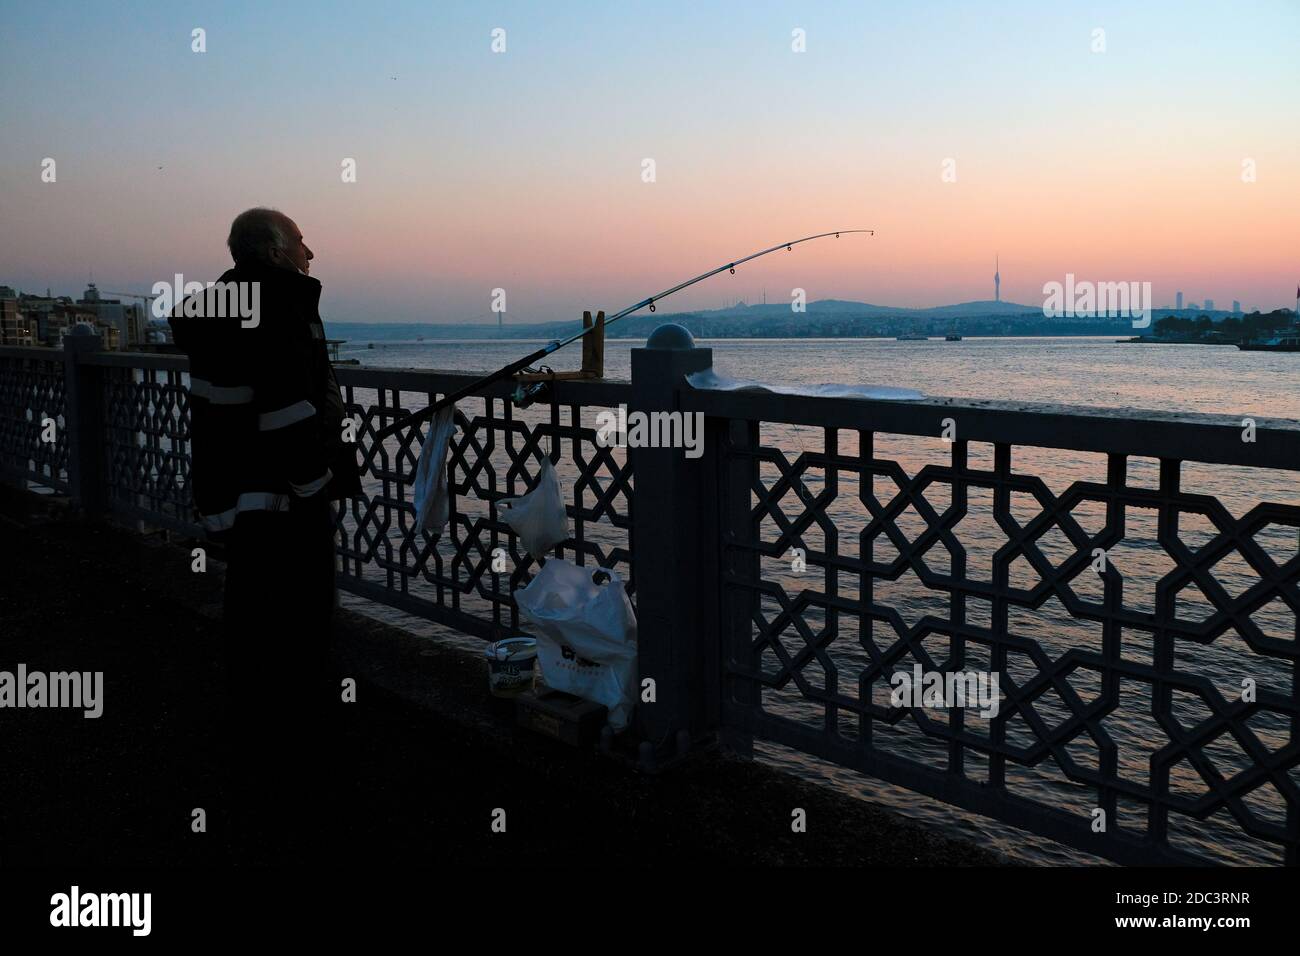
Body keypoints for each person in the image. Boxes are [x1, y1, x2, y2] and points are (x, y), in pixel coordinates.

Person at [169, 208, 362, 863]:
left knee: (250, 614)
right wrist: (316, 480)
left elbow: (233, 402)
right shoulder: (279, 302)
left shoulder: (213, 308)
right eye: (304, 241)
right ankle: (297, 765)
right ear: (278, 248)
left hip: (233, 496)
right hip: (285, 500)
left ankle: (252, 735)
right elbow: (285, 406)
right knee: (302, 623)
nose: (313, 253)